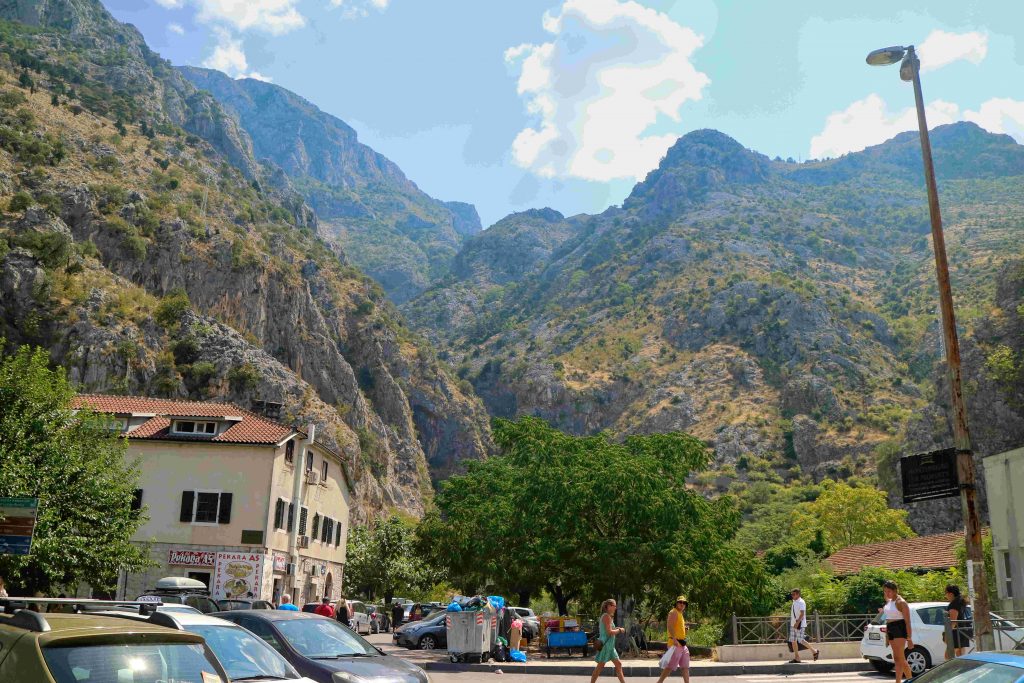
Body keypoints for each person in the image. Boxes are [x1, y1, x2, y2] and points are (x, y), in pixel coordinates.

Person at [882, 580, 914, 683]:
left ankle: (910, 680)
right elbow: (887, 613)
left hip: (899, 628)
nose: (887, 593)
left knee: (901, 657)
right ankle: (898, 681)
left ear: (895, 590)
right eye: (885, 591)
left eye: (889, 591)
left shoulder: (901, 602)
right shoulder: (890, 600)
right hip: (890, 628)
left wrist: (909, 639)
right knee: (896, 658)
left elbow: (908, 622)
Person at [589, 598, 626, 683]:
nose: (615, 608)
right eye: (614, 606)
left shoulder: (607, 616)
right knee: (600, 667)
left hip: (610, 646)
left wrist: (617, 628)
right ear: (609, 606)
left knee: (618, 664)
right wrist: (620, 630)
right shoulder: (606, 616)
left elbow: (608, 629)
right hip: (606, 646)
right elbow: (609, 632)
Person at [656, 596, 691, 683]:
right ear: (676, 603)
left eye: (684, 603)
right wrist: (674, 639)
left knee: (685, 666)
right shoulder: (673, 612)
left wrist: (685, 630)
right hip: (675, 643)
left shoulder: (680, 614)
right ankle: (659, 682)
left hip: (682, 644)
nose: (682, 604)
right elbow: (670, 626)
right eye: (680, 602)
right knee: (670, 667)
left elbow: (677, 628)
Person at [788, 588, 819, 663]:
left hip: (800, 624)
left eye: (794, 594)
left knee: (801, 640)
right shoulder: (794, 601)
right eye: (792, 594)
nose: (792, 596)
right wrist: (794, 623)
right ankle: (797, 657)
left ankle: (814, 651)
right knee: (793, 641)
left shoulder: (801, 602)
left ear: (798, 594)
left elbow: (802, 614)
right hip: (793, 624)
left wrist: (797, 623)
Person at [946, 584, 969, 658]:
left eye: (946, 593)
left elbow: (953, 621)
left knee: (948, 657)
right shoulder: (961, 601)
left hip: (956, 633)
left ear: (951, 594)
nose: (945, 596)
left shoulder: (953, 604)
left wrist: (947, 634)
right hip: (962, 631)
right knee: (961, 656)